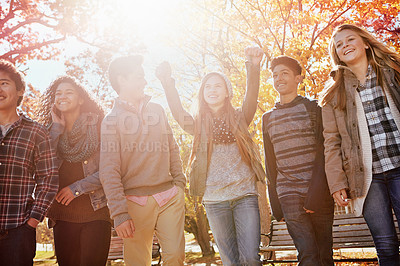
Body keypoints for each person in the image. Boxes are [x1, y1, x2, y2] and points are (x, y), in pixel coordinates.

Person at [156, 47, 265, 265]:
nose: (212, 90)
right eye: (208, 86)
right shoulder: (197, 126)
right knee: (230, 260)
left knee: (250, 258)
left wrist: (253, 66)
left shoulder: (240, 118)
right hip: (215, 200)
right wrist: (167, 82)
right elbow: (178, 113)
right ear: (202, 94)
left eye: (218, 86)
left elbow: (251, 95)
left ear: (227, 92)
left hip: (244, 195)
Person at [319, 24, 400, 265]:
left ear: (365, 43)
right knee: (385, 246)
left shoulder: (393, 72)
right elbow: (331, 142)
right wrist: (336, 183)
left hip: (399, 165)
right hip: (367, 178)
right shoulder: (333, 94)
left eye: (350, 39)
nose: (345, 46)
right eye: (339, 45)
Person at [100, 55, 186, 266]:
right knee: (138, 263)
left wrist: (180, 184)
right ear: (122, 80)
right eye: (139, 77)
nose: (145, 82)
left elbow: (172, 148)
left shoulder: (157, 110)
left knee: (175, 256)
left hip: (169, 196)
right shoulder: (111, 121)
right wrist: (119, 213)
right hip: (134, 202)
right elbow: (109, 170)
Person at [262, 55, 334, 265]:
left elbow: (324, 151)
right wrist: (275, 204)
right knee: (308, 253)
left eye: (284, 73)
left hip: (319, 188)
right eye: (275, 75)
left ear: (298, 79)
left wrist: (316, 192)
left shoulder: (314, 109)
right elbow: (270, 163)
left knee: (324, 254)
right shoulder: (267, 118)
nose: (279, 78)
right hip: (288, 191)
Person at [37, 76, 111, 266]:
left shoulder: (100, 126)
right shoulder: (48, 132)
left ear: (81, 99)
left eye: (69, 92)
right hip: (62, 216)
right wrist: (56, 130)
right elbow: (43, 167)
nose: (62, 96)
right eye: (58, 93)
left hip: (96, 212)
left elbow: (110, 169)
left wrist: (76, 188)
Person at [0, 59, 58, 265]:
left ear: (20, 91)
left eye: (4, 83)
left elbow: (49, 179)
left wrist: (32, 221)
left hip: (18, 230)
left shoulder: (36, 132)